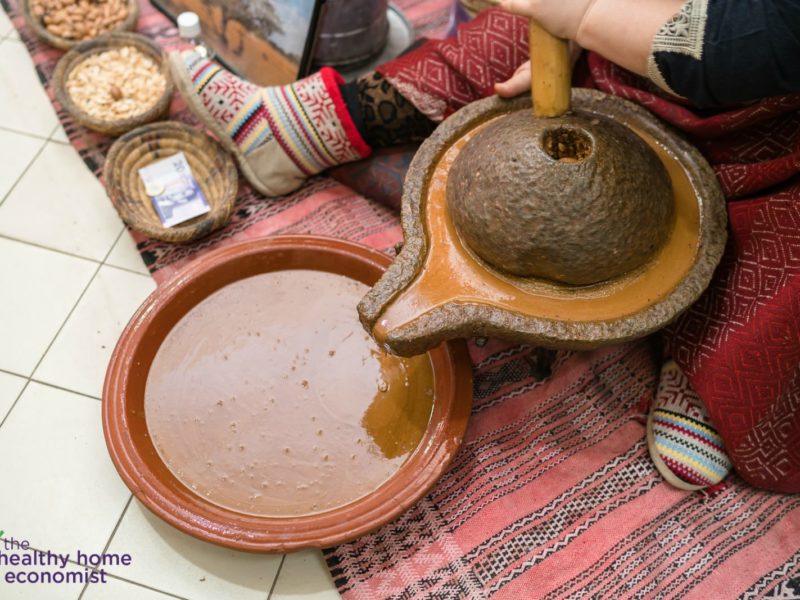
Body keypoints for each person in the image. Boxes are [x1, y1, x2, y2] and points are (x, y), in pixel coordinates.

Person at [170, 0, 800, 493]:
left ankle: (712, 364)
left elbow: (767, 37)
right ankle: (302, 129)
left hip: (769, 117)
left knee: (777, 263)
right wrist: (576, 29)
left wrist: (588, 18)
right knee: (499, 40)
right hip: (626, 49)